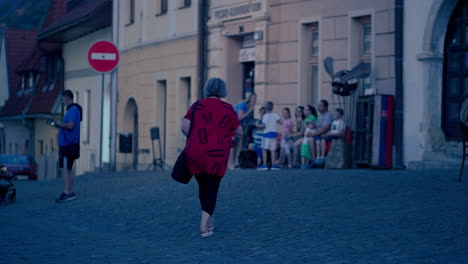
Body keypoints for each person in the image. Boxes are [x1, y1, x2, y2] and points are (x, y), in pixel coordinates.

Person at [182, 78, 242, 238]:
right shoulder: (228, 108)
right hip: (217, 154)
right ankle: (203, 226)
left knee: (203, 185)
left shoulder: (197, 105)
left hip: (196, 152)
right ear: (223, 91)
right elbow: (239, 132)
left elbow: (185, 127)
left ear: (207, 89)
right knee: (212, 187)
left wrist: (195, 138)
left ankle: (208, 220)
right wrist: (231, 142)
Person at [52, 90, 82, 203]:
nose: (62, 100)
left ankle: (67, 193)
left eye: (63, 98)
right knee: (68, 168)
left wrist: (58, 124)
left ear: (67, 97)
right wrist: (58, 124)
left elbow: (70, 126)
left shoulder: (73, 110)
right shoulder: (72, 110)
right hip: (69, 144)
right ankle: (70, 192)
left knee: (65, 169)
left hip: (67, 145)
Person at [230, 93, 257, 168]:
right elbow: (239, 117)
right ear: (249, 98)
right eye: (253, 98)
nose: (255, 100)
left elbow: (245, 120)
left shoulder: (249, 107)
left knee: (237, 145)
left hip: (239, 126)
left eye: (255, 99)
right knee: (233, 145)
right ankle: (231, 163)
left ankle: (235, 162)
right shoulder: (243, 105)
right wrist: (249, 112)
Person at [308, 100, 334, 167]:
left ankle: (321, 159)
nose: (318, 107)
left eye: (320, 106)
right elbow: (316, 125)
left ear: (325, 107)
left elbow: (325, 128)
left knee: (320, 138)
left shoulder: (328, 115)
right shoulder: (319, 115)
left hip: (326, 134)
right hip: (318, 134)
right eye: (318, 105)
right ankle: (314, 159)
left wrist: (314, 134)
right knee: (310, 139)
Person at [257, 101, 282, 170]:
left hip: (266, 134)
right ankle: (273, 165)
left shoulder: (265, 116)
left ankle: (264, 165)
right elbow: (280, 121)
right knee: (273, 150)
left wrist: (258, 126)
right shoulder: (275, 115)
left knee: (264, 149)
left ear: (265, 108)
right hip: (274, 134)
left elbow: (263, 125)